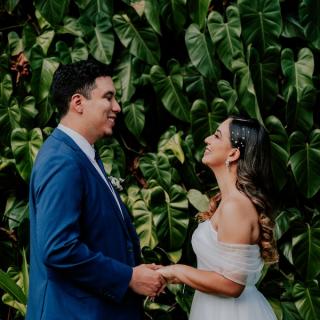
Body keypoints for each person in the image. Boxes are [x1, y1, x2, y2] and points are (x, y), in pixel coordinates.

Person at [27, 59, 164, 320]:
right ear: (78, 103)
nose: (117, 107)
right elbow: (58, 248)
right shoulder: (61, 161)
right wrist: (128, 277)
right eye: (108, 97)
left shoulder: (81, 154)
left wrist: (136, 271)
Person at [157, 116, 278, 320]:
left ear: (233, 153)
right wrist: (168, 274)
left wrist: (177, 271)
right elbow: (215, 272)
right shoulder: (229, 201)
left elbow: (232, 285)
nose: (207, 139)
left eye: (216, 136)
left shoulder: (235, 206)